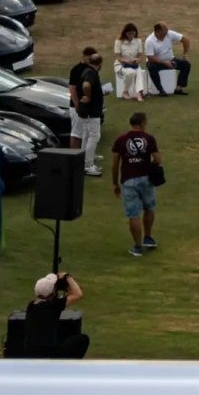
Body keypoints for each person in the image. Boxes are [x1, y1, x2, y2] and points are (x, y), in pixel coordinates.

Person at [111, 110, 160, 258]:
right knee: (149, 208)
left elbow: (115, 163)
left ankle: (137, 247)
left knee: (133, 214)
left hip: (128, 179)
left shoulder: (121, 140)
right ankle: (148, 238)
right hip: (146, 178)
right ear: (142, 123)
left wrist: (115, 183)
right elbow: (158, 159)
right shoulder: (149, 138)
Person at [22, 272, 89, 359]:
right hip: (49, 354)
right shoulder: (54, 306)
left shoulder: (31, 306)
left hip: (30, 353)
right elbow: (77, 294)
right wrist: (67, 277)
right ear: (53, 291)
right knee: (83, 339)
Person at [67, 46, 105, 176]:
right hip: (91, 111)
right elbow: (86, 85)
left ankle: (84, 159)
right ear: (99, 64)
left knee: (87, 135)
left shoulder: (86, 71)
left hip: (88, 110)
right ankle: (88, 165)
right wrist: (88, 97)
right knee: (94, 136)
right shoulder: (90, 73)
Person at [143, 22, 190, 96]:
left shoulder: (169, 34)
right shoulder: (150, 40)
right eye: (165, 30)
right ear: (158, 31)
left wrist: (185, 54)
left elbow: (185, 40)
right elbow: (150, 57)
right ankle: (160, 90)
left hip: (171, 60)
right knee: (151, 67)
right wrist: (165, 63)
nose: (167, 31)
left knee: (186, 64)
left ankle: (178, 88)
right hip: (156, 62)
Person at [112, 22, 149, 103]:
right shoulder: (119, 41)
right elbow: (117, 56)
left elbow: (140, 55)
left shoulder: (138, 41)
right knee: (131, 73)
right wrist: (126, 61)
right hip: (121, 65)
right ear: (125, 33)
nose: (131, 35)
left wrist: (137, 60)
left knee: (139, 73)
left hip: (134, 65)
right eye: (129, 33)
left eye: (133, 33)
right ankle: (125, 92)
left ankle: (138, 93)